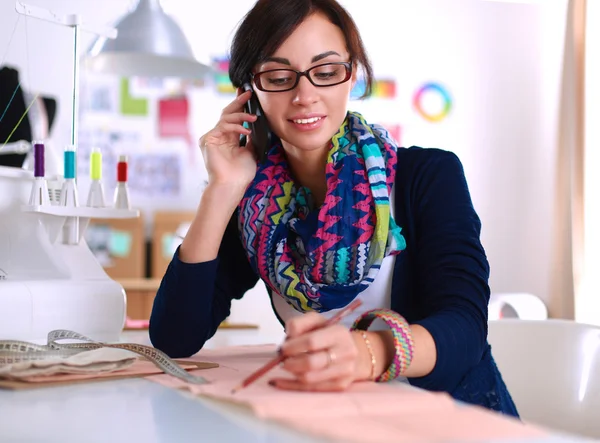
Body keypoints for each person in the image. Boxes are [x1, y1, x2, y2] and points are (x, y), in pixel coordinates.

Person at [149, 0, 519, 416]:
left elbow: (466, 329)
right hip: (339, 420)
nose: (305, 96)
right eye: (278, 76)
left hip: (451, 419)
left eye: (325, 73)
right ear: (249, 94)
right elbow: (174, 338)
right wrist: (222, 189)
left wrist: (367, 353)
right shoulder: (256, 208)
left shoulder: (428, 175)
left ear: (352, 75)